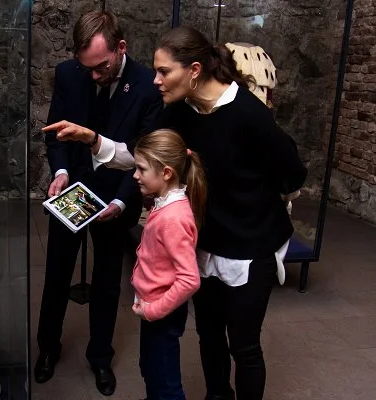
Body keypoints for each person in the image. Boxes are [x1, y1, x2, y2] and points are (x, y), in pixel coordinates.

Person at [56, 26, 308, 400]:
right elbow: (144, 159)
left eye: (164, 72)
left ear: (193, 70)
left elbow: (292, 178)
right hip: (205, 243)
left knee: (244, 346)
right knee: (208, 336)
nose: (155, 80)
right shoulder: (178, 111)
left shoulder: (250, 115)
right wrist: (93, 139)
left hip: (251, 249)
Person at [36, 10, 163, 396]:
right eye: (86, 67)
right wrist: (58, 173)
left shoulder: (146, 85)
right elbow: (56, 136)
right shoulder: (68, 73)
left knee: (108, 283)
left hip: (116, 196)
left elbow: (145, 155)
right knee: (56, 273)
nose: (93, 75)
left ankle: (100, 358)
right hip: (71, 191)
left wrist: (124, 204)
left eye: (101, 67)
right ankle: (47, 349)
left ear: (120, 48)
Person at [131, 129, 203, 400]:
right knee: (151, 369)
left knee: (165, 383)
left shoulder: (173, 218)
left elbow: (189, 280)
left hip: (161, 310)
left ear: (166, 173)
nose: (135, 175)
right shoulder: (163, 204)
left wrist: (153, 311)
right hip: (153, 304)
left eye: (141, 169)